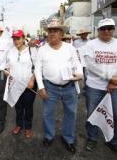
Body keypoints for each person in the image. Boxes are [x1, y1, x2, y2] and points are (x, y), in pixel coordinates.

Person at [83, 18, 117, 155]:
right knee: (92, 113)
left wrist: (115, 81)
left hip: (114, 87)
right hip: (94, 86)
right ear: (98, 30)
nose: (106, 31)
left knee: (115, 115)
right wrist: (111, 77)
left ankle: (114, 140)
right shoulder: (91, 44)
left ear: (113, 29)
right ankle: (92, 138)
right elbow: (91, 65)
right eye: (103, 28)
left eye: (110, 28)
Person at [34, 21, 83, 154]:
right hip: (50, 87)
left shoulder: (70, 48)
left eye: (56, 30)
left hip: (69, 87)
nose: (52, 33)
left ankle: (68, 138)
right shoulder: (42, 49)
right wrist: (41, 87)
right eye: (50, 31)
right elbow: (37, 69)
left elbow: (77, 64)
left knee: (71, 114)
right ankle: (49, 136)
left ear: (61, 33)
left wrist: (79, 74)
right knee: (47, 114)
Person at [7, 30, 37, 139]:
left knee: (28, 107)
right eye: (14, 39)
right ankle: (19, 125)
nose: (16, 41)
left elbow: (37, 67)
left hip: (29, 84)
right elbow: (7, 66)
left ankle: (28, 127)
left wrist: (32, 80)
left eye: (18, 38)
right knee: (18, 106)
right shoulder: (10, 51)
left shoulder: (31, 50)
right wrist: (7, 72)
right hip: (15, 84)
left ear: (23, 38)